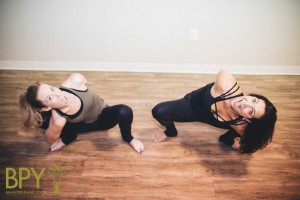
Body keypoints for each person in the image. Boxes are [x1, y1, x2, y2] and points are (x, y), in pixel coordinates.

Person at [152, 69, 277, 154]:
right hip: (192, 106)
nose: (246, 103)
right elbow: (224, 72)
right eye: (254, 100)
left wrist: (246, 141)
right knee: (159, 111)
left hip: (212, 120)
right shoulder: (226, 86)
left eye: (251, 111)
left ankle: (226, 139)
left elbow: (252, 135)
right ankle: (171, 131)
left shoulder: (242, 124)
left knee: (247, 131)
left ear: (248, 118)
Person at [19, 73, 144, 153]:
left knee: (124, 111)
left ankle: (129, 138)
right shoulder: (58, 119)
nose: (58, 94)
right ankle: (69, 137)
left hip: (101, 117)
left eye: (52, 88)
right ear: (46, 107)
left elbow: (84, 81)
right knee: (43, 120)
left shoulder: (75, 81)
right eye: (50, 98)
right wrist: (56, 127)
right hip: (80, 125)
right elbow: (50, 139)